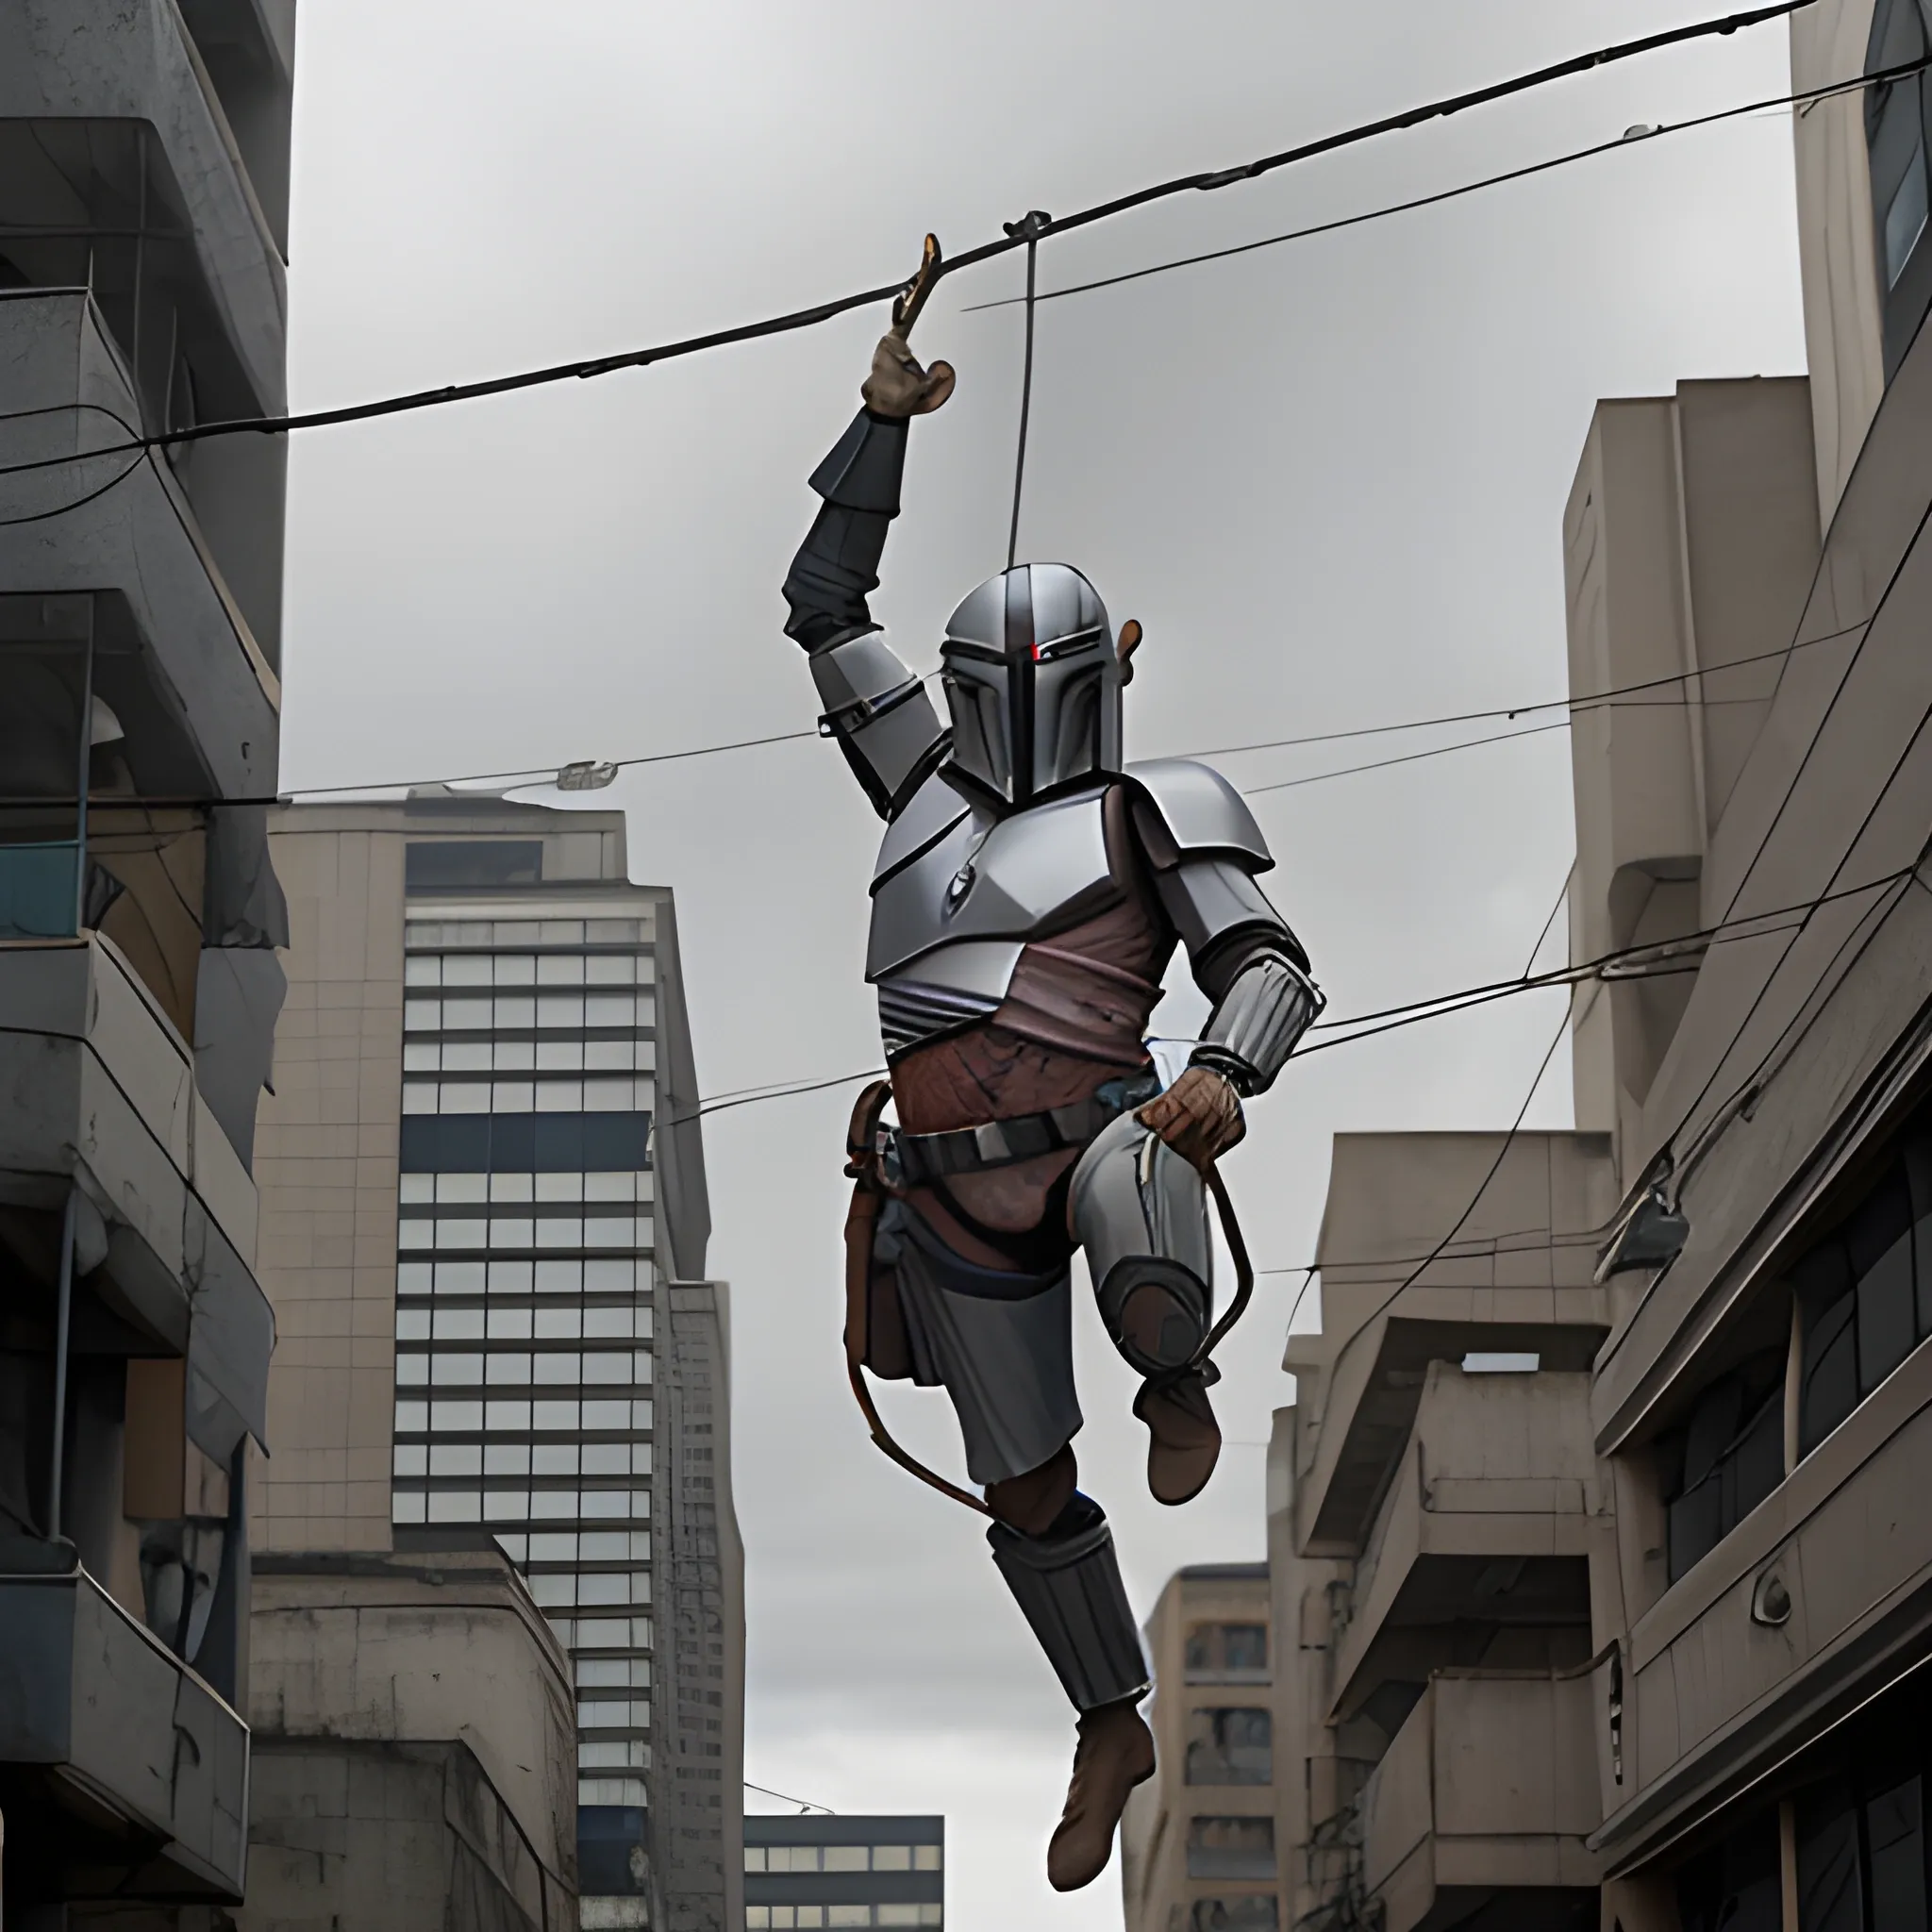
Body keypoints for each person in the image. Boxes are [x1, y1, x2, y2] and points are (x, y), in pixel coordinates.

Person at [781, 323, 1319, 1892]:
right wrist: (879, 427)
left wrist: (1225, 1067)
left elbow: (1269, 959)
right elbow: (823, 611)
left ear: (1102, 684)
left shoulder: (1154, 807)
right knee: (1023, 1490)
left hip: (1102, 1143)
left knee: (1138, 1193)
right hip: (940, 1189)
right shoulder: (920, 786)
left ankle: (1176, 1375)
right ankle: (1109, 1718)